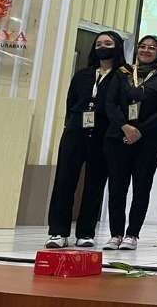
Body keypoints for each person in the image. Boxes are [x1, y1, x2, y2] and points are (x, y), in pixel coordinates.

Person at [45, 31, 126, 248]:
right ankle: (58, 232)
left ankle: (86, 232)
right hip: (75, 131)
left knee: (95, 182)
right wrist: (72, 123)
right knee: (64, 180)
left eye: (108, 43)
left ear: (117, 47)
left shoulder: (123, 76)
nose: (103, 46)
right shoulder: (83, 74)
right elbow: (71, 101)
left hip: (104, 132)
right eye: (99, 43)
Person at [102, 35, 157, 251]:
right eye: (142, 46)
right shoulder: (122, 73)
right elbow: (110, 103)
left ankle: (132, 234)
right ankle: (115, 234)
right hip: (118, 137)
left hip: (149, 140)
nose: (146, 50)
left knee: (142, 187)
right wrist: (125, 126)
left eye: (152, 47)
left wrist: (139, 130)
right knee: (117, 186)